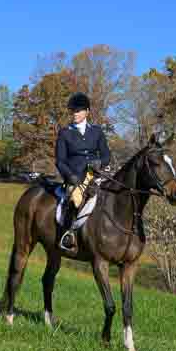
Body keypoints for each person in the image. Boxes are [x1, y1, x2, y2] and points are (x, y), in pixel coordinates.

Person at [55, 92, 111, 253]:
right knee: (77, 198)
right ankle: (70, 234)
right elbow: (60, 161)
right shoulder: (65, 133)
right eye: (72, 111)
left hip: (96, 174)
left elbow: (107, 154)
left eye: (78, 111)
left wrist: (100, 162)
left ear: (87, 111)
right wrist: (69, 176)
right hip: (75, 177)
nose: (74, 114)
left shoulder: (97, 131)